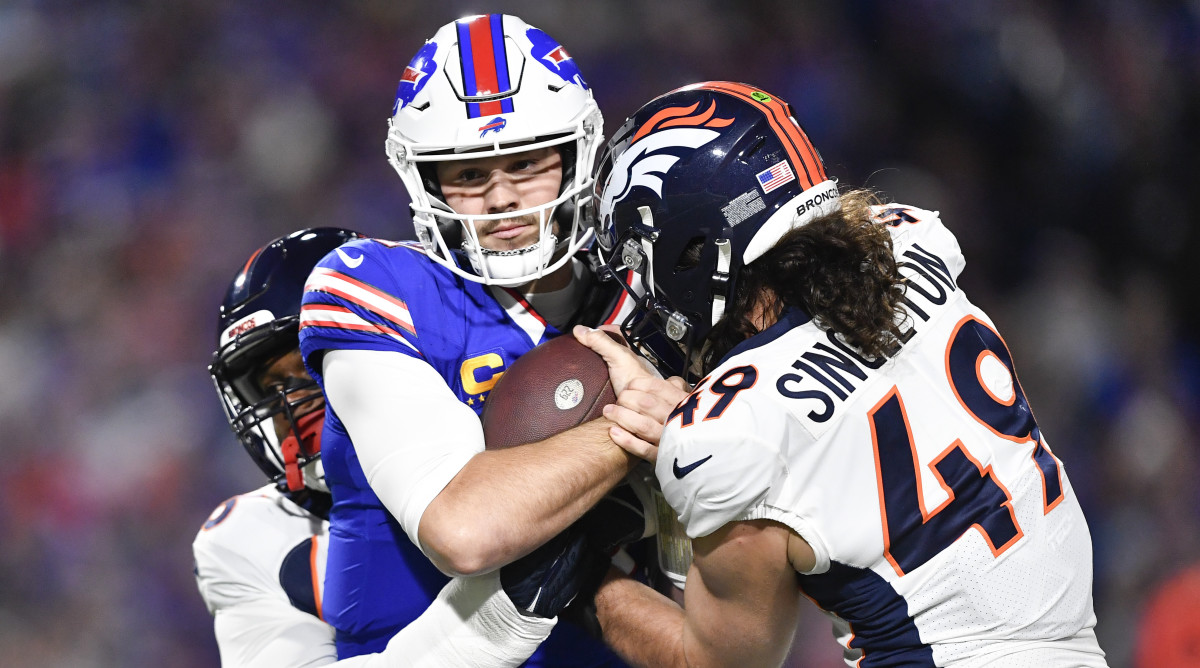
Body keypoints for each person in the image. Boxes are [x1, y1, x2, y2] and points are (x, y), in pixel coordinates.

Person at [571, 81, 1109, 667]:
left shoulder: (720, 437)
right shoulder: (914, 242)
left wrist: (589, 585)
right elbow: (840, 392)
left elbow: (723, 661)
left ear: (696, 246)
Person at [296, 14, 645, 664]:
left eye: (526, 163)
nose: (502, 198)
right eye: (468, 175)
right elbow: (465, 530)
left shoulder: (642, 295)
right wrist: (646, 426)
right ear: (424, 181)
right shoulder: (375, 286)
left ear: (578, 155)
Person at [194, 227, 557, 668]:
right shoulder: (247, 536)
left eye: (315, 366)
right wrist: (494, 626)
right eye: (272, 387)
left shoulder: (501, 441)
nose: (292, 402)